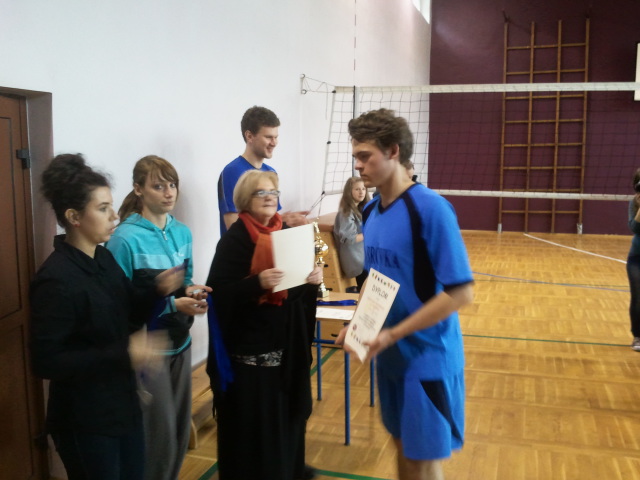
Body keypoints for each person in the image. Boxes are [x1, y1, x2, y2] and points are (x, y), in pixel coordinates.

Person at [337, 109, 474, 480]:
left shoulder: (431, 209)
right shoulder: (371, 211)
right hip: (391, 357)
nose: (358, 165)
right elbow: (375, 279)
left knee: (422, 461)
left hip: (428, 359)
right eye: (356, 157)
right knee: (402, 448)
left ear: (393, 151)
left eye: (365, 156)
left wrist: (394, 333)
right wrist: (358, 324)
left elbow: (461, 292)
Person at [30, 154, 179, 480]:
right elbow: (47, 361)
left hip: (121, 404)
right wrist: (124, 353)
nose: (115, 215)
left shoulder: (103, 259)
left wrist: (157, 290)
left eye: (111, 206)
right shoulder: (56, 279)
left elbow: (126, 313)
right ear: (74, 217)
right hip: (85, 420)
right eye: (103, 208)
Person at [206, 170, 322, 480]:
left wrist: (312, 280)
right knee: (256, 442)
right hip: (250, 361)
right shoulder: (235, 241)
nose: (270, 197)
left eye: (273, 191)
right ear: (245, 199)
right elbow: (218, 295)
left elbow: (294, 293)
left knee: (286, 429)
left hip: (287, 353)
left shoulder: (285, 232)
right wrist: (256, 283)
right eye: (261, 192)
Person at [106, 155, 211, 480]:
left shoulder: (182, 232)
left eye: (172, 185)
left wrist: (193, 293)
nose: (169, 193)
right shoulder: (124, 239)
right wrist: (172, 305)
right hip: (148, 351)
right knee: (158, 438)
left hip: (180, 342)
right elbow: (118, 305)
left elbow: (185, 281)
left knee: (179, 430)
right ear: (138, 189)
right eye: (158, 186)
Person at [217, 105, 307, 235]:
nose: (274, 143)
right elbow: (233, 227)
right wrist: (281, 220)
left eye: (276, 137)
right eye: (268, 137)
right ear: (249, 136)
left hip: (267, 244)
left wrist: (286, 222)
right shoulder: (232, 172)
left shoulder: (271, 172)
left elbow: (272, 221)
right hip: (244, 247)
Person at [333, 176, 371, 289]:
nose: (361, 192)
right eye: (357, 189)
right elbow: (349, 238)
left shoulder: (362, 208)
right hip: (357, 261)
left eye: (363, 189)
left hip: (365, 257)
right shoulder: (346, 212)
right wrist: (370, 233)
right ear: (349, 192)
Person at [627, 168, 640, 351]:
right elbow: (635, 228)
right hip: (636, 258)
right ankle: (638, 336)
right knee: (638, 298)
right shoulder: (634, 203)